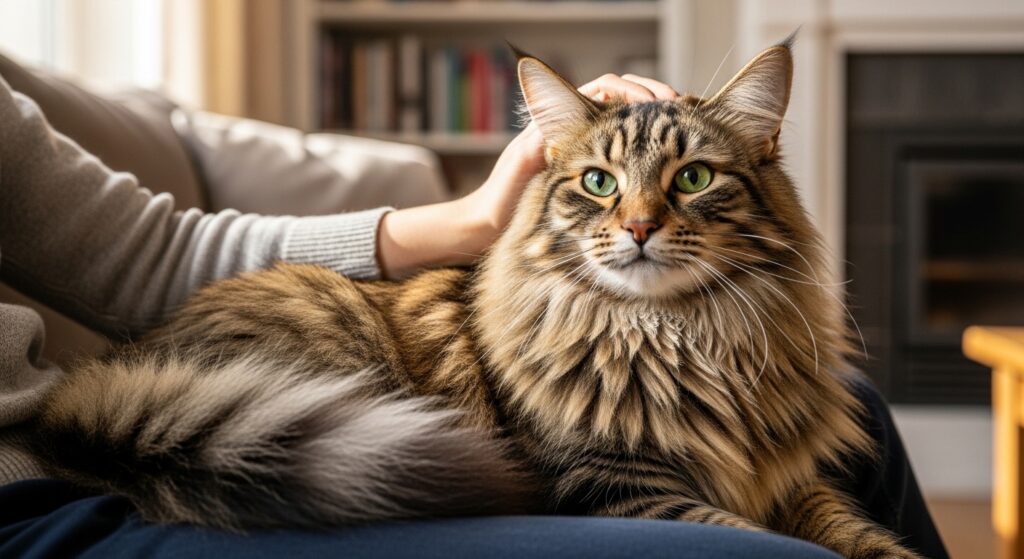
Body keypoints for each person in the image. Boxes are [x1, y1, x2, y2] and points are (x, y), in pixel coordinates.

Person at [0, 68, 947, 558]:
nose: (642, 218)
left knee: (859, 413)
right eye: (603, 186)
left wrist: (477, 215)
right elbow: (599, 478)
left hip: (82, 437)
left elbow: (153, 255)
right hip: (51, 503)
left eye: (689, 181)